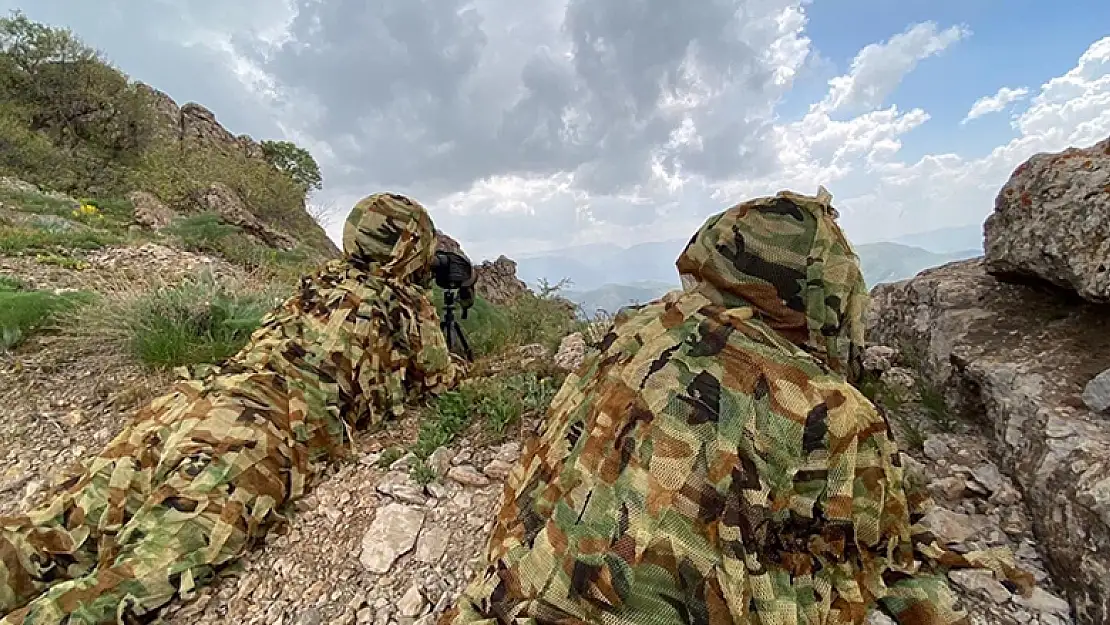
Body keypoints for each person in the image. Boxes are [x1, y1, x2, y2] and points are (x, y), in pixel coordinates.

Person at [440, 189, 1033, 625]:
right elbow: (870, 551)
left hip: (515, 590)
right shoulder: (829, 408)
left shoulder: (635, 330)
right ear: (826, 295)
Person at [0, 193, 460, 624]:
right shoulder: (403, 306)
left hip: (185, 404)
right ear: (410, 251)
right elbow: (440, 381)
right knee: (142, 575)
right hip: (252, 431)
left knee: (52, 531)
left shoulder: (319, 281)